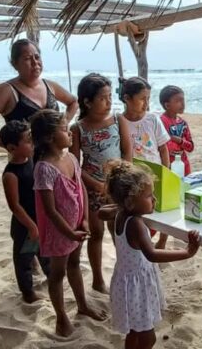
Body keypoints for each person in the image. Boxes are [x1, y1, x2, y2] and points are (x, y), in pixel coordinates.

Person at [105, 160, 200, 349]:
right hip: (137, 287)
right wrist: (187, 252)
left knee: (134, 331)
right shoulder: (136, 224)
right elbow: (152, 254)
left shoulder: (120, 214)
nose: (154, 200)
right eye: (149, 196)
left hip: (127, 283)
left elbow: (102, 212)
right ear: (130, 201)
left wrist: (121, 206)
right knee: (149, 338)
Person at [32, 109, 107, 336]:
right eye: (64, 130)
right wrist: (68, 232)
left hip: (76, 226)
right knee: (57, 273)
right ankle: (61, 317)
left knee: (74, 264)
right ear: (48, 138)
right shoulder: (44, 168)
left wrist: (83, 220)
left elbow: (81, 189)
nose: (70, 133)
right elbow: (50, 211)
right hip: (59, 232)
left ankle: (82, 305)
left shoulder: (71, 158)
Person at [70, 73, 132, 294]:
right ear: (87, 102)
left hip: (117, 186)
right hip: (92, 188)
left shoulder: (118, 120)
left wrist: (122, 179)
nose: (108, 102)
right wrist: (96, 185)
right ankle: (97, 279)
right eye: (103, 98)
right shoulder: (78, 128)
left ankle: (125, 273)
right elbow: (75, 165)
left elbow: (127, 151)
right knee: (96, 234)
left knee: (119, 232)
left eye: (109, 97)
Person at [0, 39, 78, 149]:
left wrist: (63, 124)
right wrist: (9, 146)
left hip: (54, 158)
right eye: (27, 59)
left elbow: (73, 102)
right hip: (26, 161)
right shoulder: (7, 91)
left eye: (37, 57)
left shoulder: (50, 86)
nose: (35, 62)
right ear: (15, 64)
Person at [0, 120, 49, 303]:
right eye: (27, 141)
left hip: (39, 219)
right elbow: (15, 205)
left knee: (45, 255)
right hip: (25, 226)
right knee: (23, 260)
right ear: (12, 148)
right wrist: (31, 226)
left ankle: (52, 280)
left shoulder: (32, 160)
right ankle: (28, 293)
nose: (32, 144)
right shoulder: (11, 174)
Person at [119, 76, 170, 249]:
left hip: (155, 175)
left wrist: (166, 171)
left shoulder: (152, 119)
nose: (146, 103)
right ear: (127, 98)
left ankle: (162, 242)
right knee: (139, 215)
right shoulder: (119, 121)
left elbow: (163, 148)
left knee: (161, 210)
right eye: (142, 98)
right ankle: (143, 245)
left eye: (148, 98)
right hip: (133, 179)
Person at [159, 85, 194, 175]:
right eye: (178, 101)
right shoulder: (160, 122)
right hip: (167, 164)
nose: (183, 104)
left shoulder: (183, 123)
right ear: (167, 105)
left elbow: (190, 147)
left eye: (183, 100)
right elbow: (162, 146)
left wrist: (179, 140)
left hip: (183, 163)